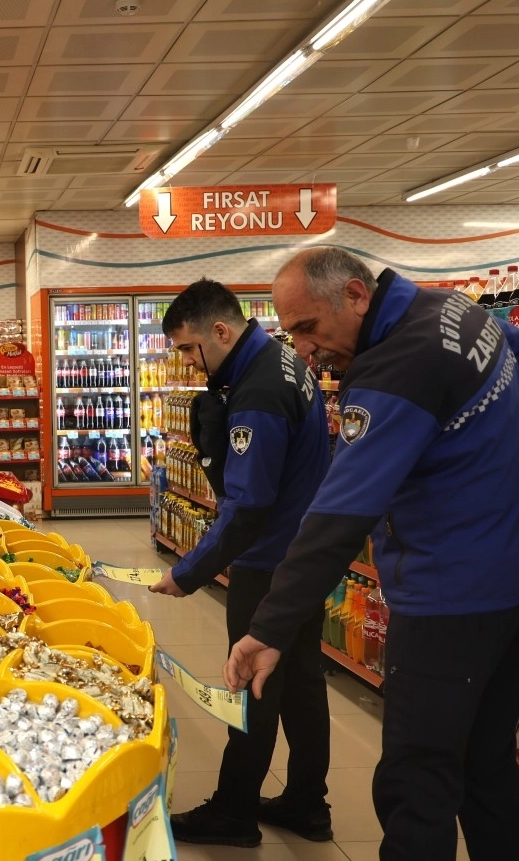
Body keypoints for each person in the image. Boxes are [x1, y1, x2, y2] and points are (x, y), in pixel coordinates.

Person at [225, 247, 519, 861]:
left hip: (446, 599)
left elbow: (340, 513)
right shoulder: (455, 311)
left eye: (308, 327)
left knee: (416, 781)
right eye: (291, 333)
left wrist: (270, 627)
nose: (304, 349)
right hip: (504, 584)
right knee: (488, 768)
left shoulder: (398, 368)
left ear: (356, 296)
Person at [147, 278, 332, 847]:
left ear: (221, 332)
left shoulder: (257, 393)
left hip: (269, 560)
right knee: (302, 683)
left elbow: (249, 507)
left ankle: (233, 811)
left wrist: (188, 572)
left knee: (250, 681)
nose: (186, 360)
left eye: (188, 348)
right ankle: (307, 802)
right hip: (303, 554)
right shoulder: (281, 362)